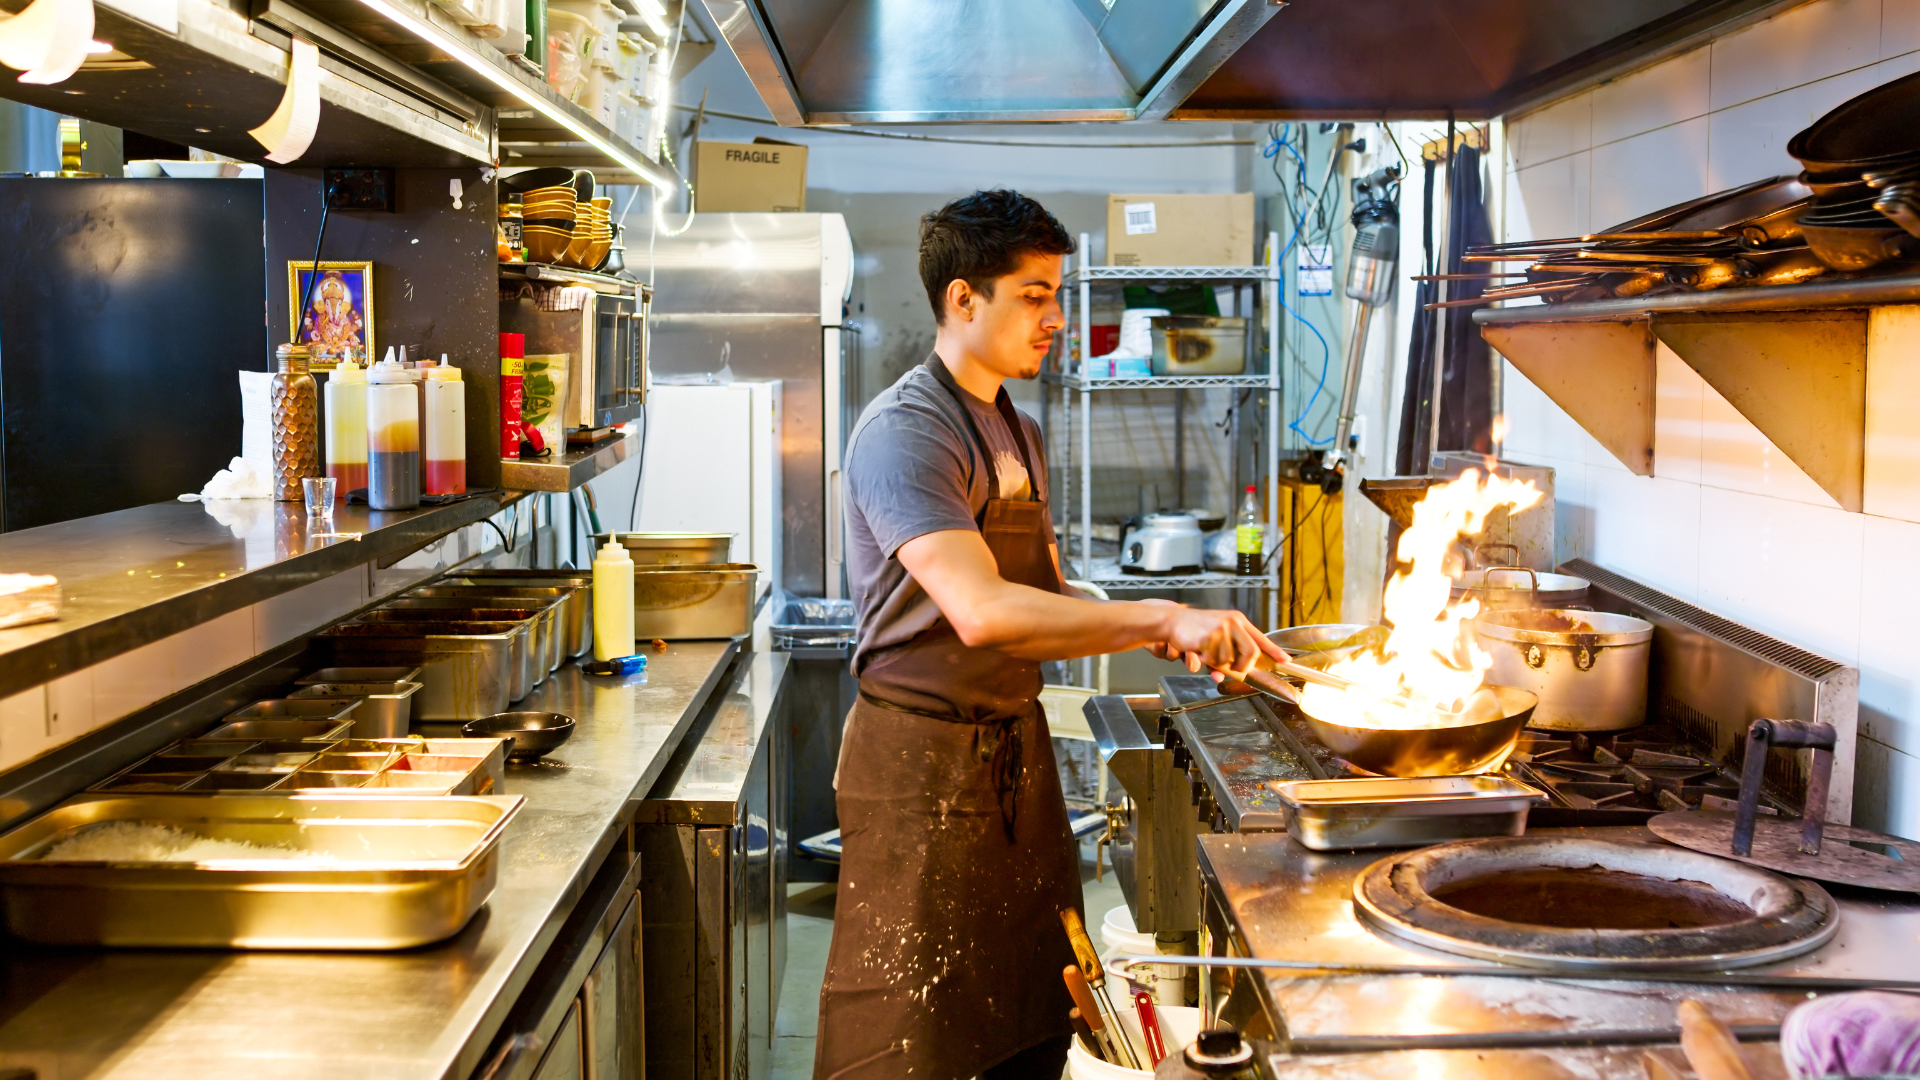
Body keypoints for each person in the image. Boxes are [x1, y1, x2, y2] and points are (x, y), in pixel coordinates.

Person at [813, 189, 1286, 1080]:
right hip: (921, 766)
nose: (1057, 319)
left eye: (1056, 294)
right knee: (914, 1035)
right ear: (963, 299)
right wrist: (1160, 612)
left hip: (1010, 761)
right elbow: (984, 610)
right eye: (1034, 295)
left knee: (1036, 1012)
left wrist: (1170, 638)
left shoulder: (1017, 427)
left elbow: (1046, 591)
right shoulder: (906, 432)